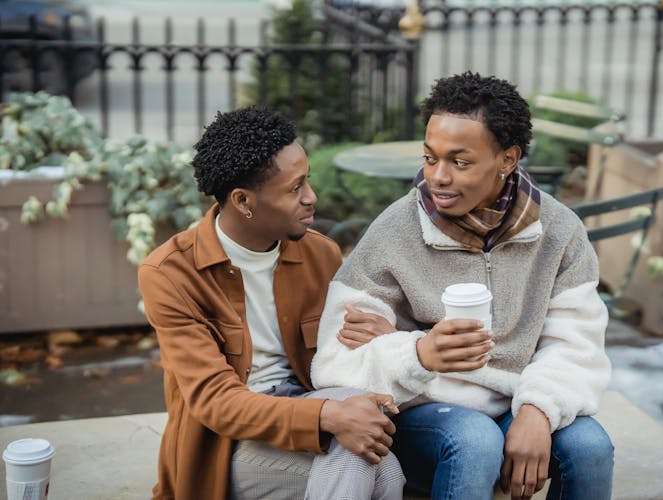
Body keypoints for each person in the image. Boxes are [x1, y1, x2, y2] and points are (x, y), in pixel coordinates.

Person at [311, 72, 614, 500]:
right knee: (474, 440)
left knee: (589, 446)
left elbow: (575, 344)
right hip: (422, 412)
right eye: (430, 157)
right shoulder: (394, 231)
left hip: (515, 399)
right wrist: (414, 351)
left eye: (460, 162)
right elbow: (335, 361)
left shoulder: (560, 231)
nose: (437, 176)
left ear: (508, 159)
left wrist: (537, 409)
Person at [138, 106, 405, 500]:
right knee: (369, 464)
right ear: (243, 201)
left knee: (382, 466)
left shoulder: (321, 254)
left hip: (310, 406)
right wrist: (329, 415)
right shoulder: (171, 274)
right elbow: (215, 401)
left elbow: (342, 355)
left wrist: (384, 341)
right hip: (228, 444)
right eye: (295, 188)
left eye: (307, 182)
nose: (312, 198)